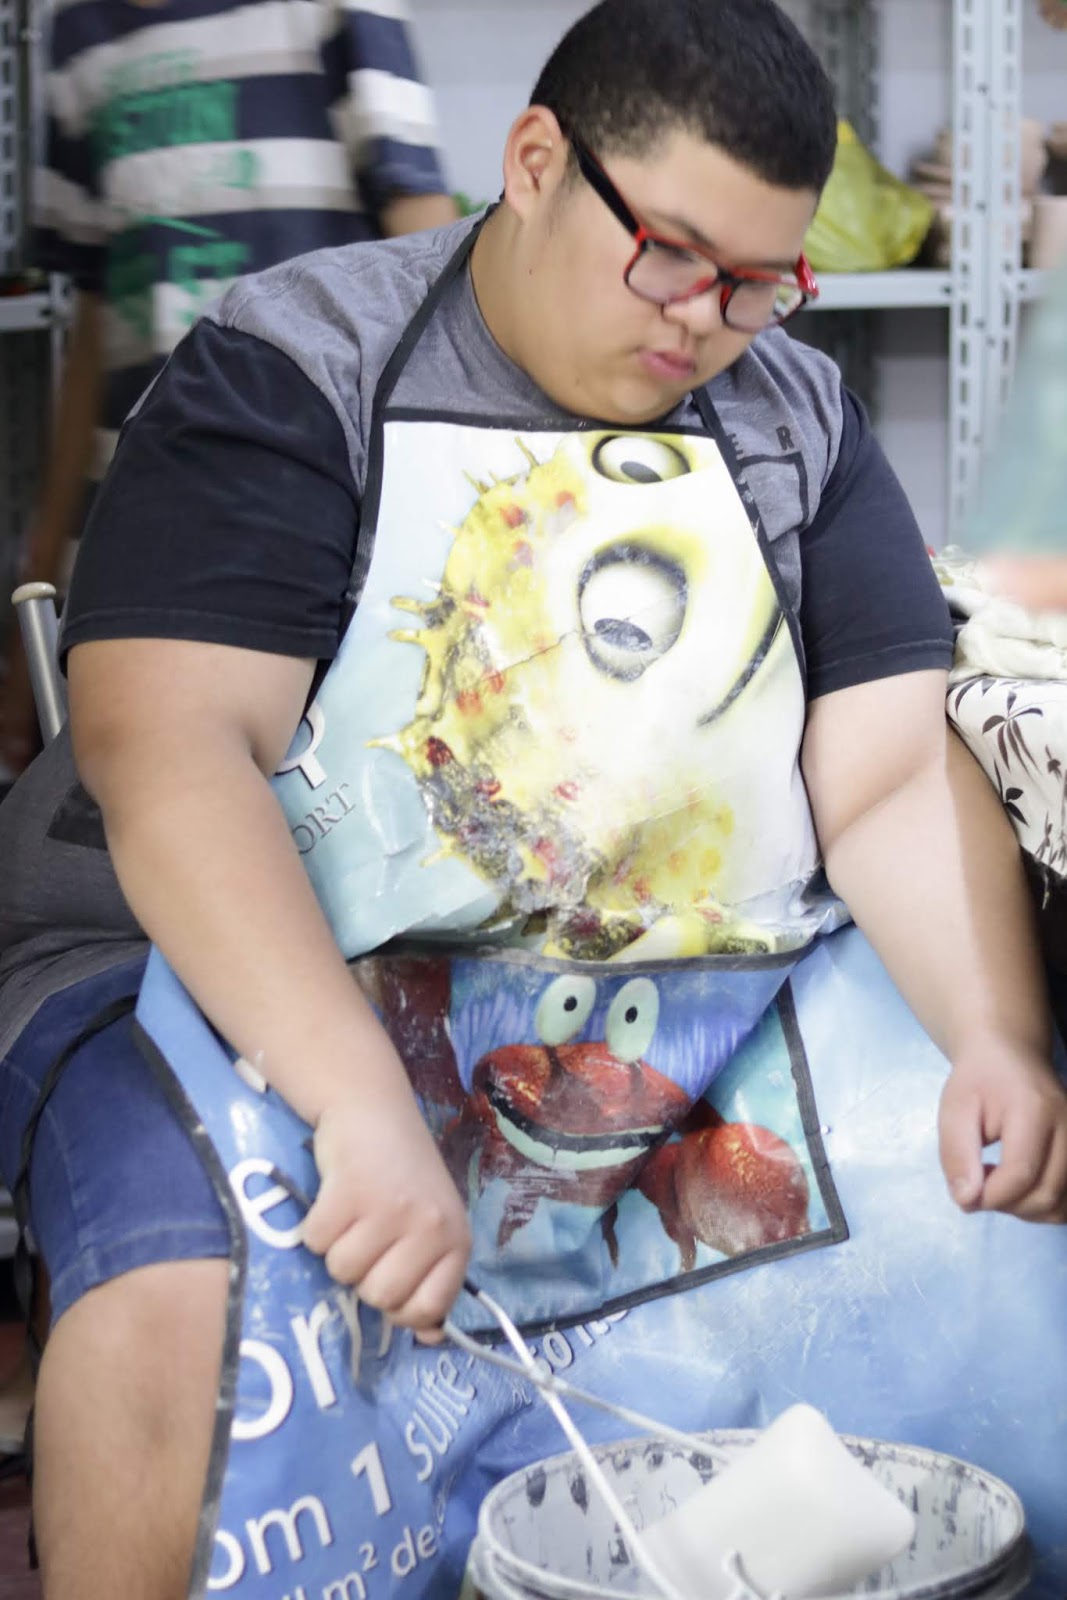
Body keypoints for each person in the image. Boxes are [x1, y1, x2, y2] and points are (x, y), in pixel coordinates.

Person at [1, 1, 1066, 1595]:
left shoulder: (791, 418)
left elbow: (892, 775)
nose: (706, 323)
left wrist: (991, 1038)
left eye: (758, 281)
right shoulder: (300, 369)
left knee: (966, 1200)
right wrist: (354, 1097)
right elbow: (172, 758)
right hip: (210, 954)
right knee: (179, 1290)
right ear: (532, 164)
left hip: (660, 994)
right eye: (671, 257)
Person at [0, 0, 457, 779]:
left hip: (306, 543)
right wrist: (41, 571)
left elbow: (429, 257)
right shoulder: (79, 37)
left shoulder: (330, 10)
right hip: (130, 550)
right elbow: (93, 334)